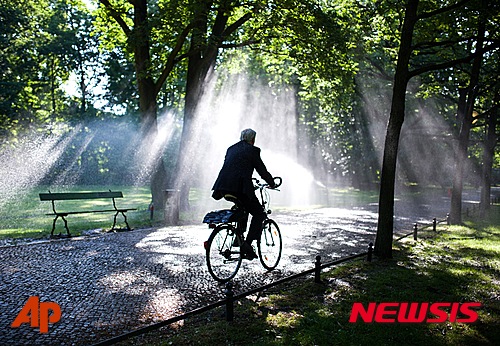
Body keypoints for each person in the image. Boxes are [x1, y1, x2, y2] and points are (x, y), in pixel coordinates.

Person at [212, 128, 276, 259]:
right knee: (259, 214)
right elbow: (261, 171)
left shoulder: (231, 149)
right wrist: (272, 182)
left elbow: (232, 168)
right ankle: (247, 244)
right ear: (252, 140)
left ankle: (238, 237)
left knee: (243, 208)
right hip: (240, 189)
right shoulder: (253, 150)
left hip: (223, 187)